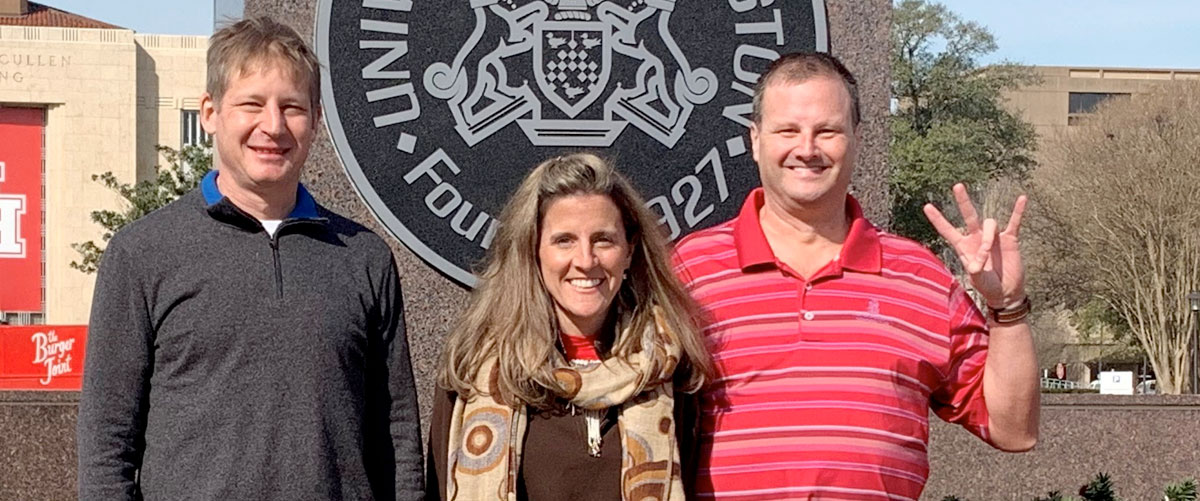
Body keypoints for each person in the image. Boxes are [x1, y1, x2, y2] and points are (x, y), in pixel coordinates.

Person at [76, 18, 423, 501]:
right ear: (210, 112)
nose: (273, 126)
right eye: (252, 104)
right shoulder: (142, 254)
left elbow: (397, 433)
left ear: (316, 120)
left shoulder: (363, 258)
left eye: (293, 108)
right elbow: (106, 444)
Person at [672, 52, 1039, 499]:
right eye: (787, 130)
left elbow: (1013, 429)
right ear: (755, 140)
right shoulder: (689, 271)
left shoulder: (920, 278)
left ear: (857, 140)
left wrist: (1008, 307)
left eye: (827, 130)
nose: (806, 149)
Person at [426, 153, 715, 500]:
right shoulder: (474, 368)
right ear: (533, 250)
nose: (585, 261)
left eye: (603, 240)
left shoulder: (668, 368)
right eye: (564, 240)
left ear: (629, 250)